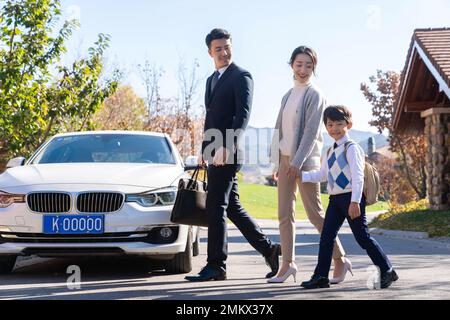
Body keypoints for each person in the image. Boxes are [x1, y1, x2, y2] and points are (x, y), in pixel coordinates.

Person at [185, 28, 281, 282]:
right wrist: (206, 150)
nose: (224, 52)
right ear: (210, 52)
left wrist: (228, 146)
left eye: (227, 47)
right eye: (218, 49)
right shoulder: (210, 80)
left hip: (229, 151)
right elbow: (210, 118)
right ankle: (270, 250)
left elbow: (243, 115)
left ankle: (216, 265)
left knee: (216, 206)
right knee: (233, 208)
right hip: (214, 151)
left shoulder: (241, 76)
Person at [268, 46, 349, 284]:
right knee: (284, 214)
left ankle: (341, 259)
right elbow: (278, 129)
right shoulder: (287, 95)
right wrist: (278, 162)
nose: (303, 70)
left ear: (314, 67)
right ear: (291, 64)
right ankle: (287, 264)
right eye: (299, 64)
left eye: (308, 65)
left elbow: (312, 132)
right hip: (285, 160)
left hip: (305, 161)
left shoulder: (315, 94)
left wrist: (297, 162)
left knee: (316, 215)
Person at [300, 105, 398, 289]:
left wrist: (355, 202)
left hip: (351, 199)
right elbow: (322, 176)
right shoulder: (329, 151)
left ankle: (387, 270)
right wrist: (300, 176)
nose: (334, 128)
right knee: (326, 238)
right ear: (326, 127)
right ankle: (321, 276)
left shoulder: (352, 148)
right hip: (335, 200)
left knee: (362, 238)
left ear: (349, 125)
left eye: (339, 124)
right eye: (330, 124)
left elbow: (358, 176)